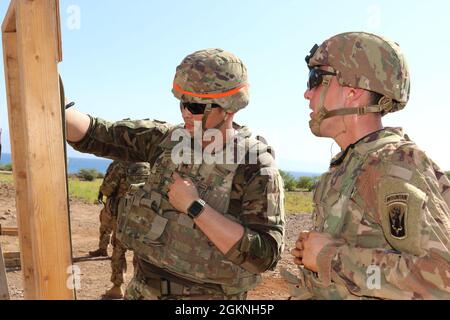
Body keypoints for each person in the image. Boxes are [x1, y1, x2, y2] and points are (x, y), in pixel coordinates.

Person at [65, 48, 285, 300]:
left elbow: (265, 255)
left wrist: (195, 207)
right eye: (182, 102)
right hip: (142, 289)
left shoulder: (254, 165)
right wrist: (56, 105)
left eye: (196, 106)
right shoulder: (164, 140)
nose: (186, 113)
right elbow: (95, 133)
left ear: (229, 107)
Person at [286, 32, 450, 300]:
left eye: (315, 80)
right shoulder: (349, 165)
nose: (307, 93)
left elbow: (441, 280)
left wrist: (331, 257)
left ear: (352, 92)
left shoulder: (392, 164)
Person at [89, 160, 150, 299]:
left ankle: (117, 287)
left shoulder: (120, 164)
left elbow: (107, 189)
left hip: (123, 213)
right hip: (143, 213)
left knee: (118, 249)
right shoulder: (150, 162)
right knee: (140, 252)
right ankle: (140, 289)